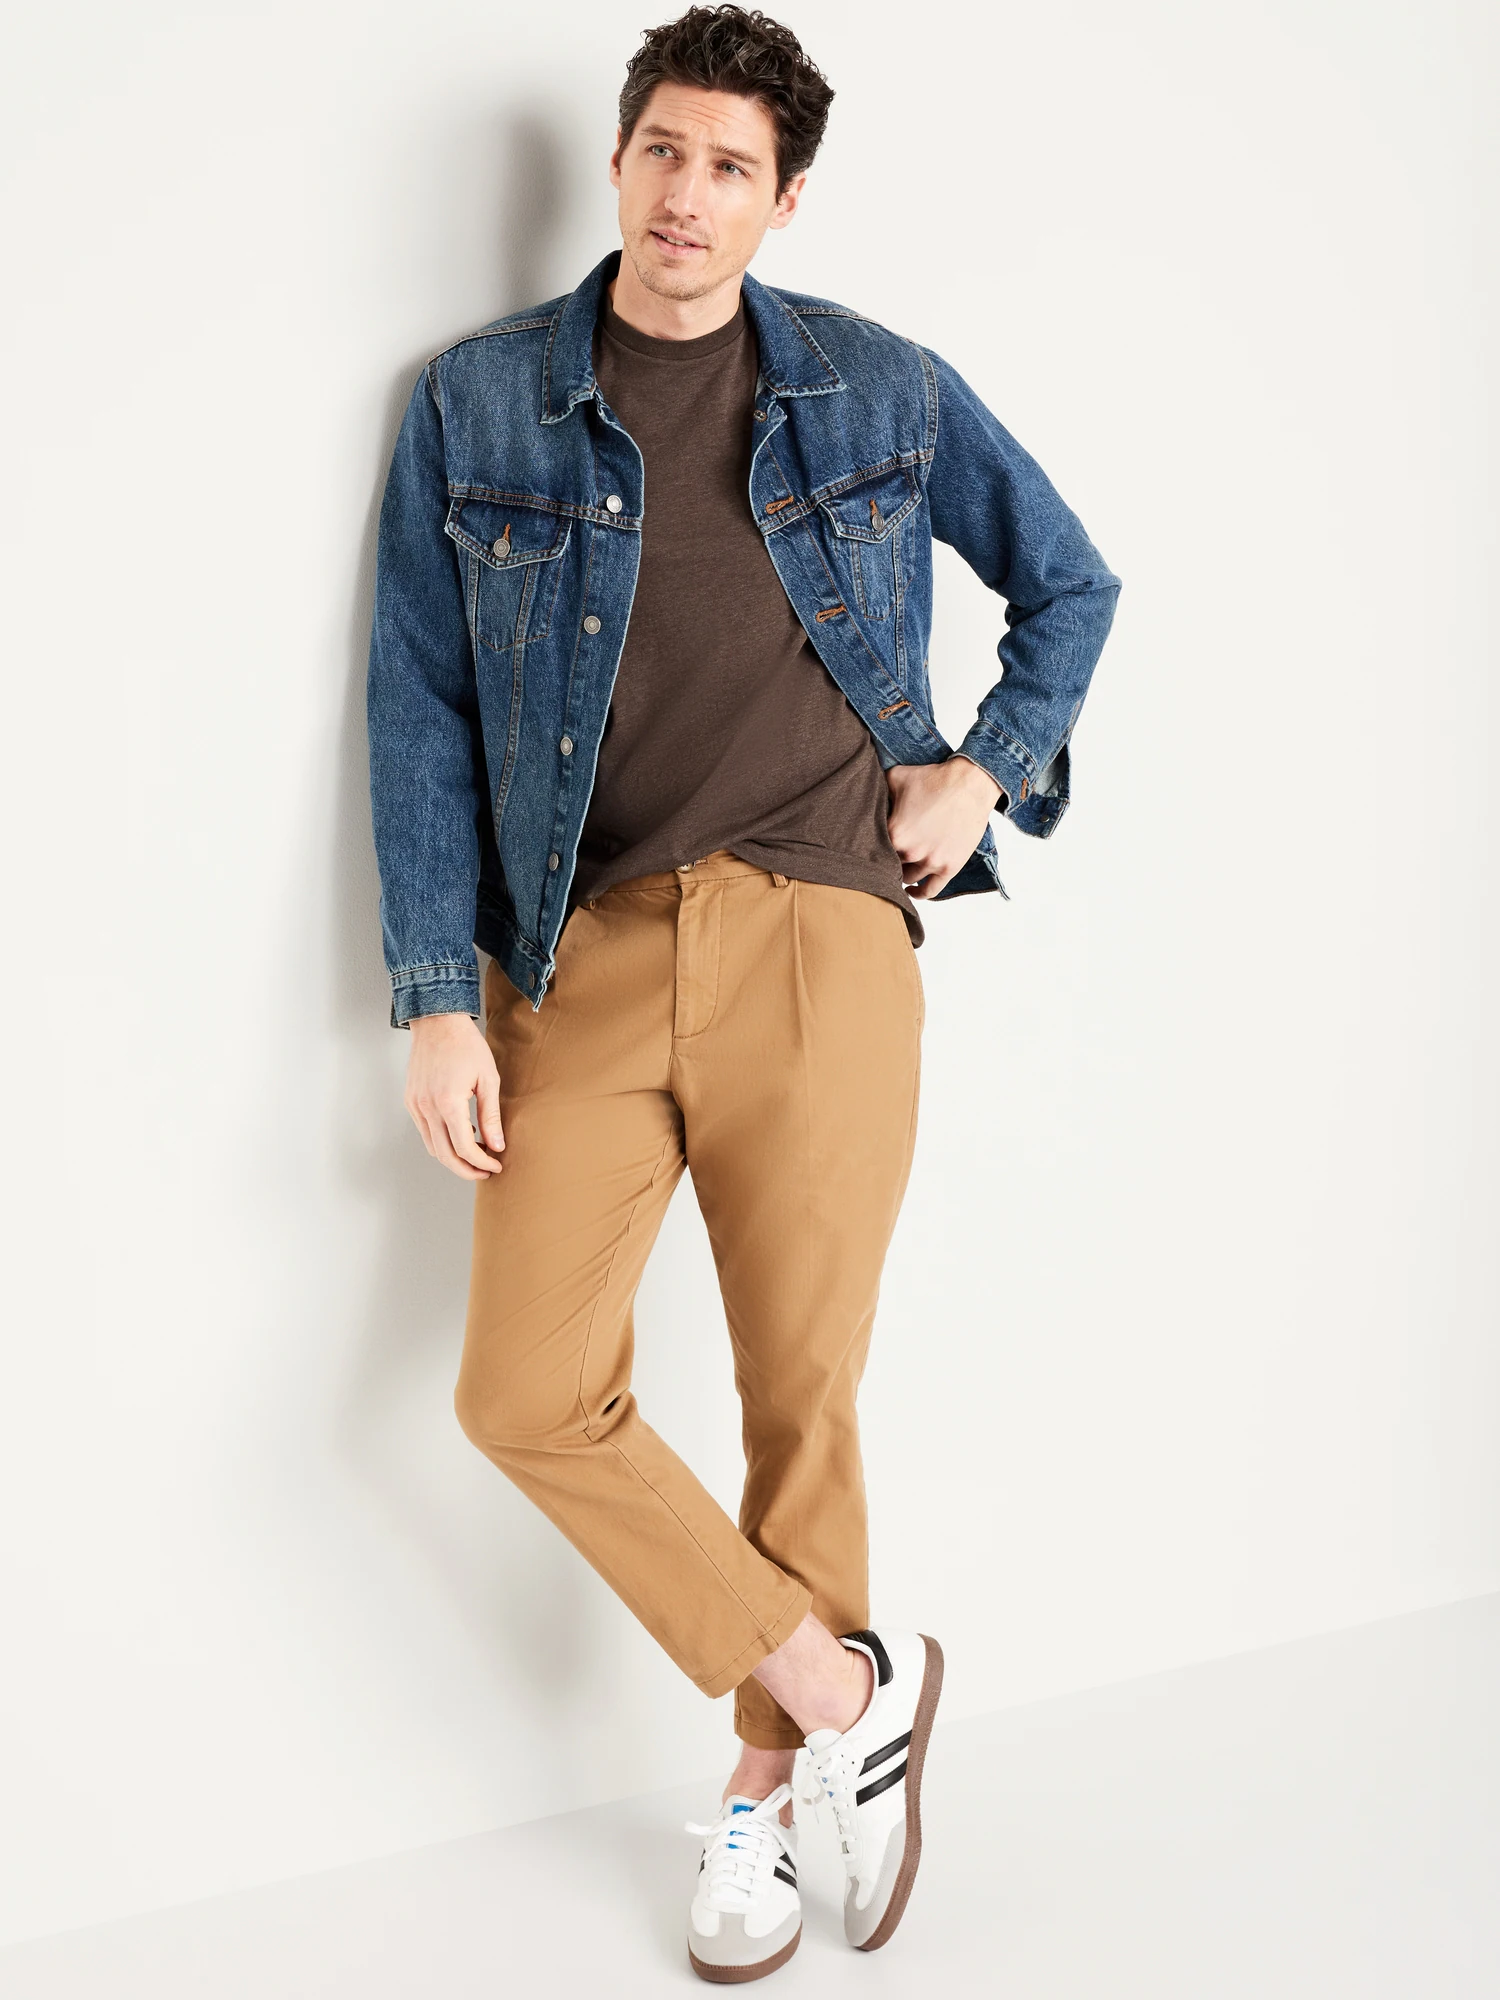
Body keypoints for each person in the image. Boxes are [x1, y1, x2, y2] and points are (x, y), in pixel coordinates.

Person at [366, 3, 1120, 1979]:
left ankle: (766, 1800)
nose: (686, 195)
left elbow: (1072, 582)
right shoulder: (479, 404)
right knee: (522, 1389)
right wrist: (433, 993)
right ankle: (844, 1685)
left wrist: (987, 767)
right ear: (618, 159)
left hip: (817, 930)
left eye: (730, 168)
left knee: (803, 1391)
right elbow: (420, 706)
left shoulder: (878, 387)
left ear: (785, 201)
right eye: (664, 151)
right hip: (584, 954)